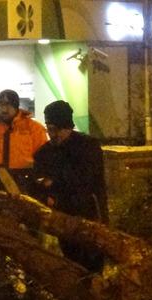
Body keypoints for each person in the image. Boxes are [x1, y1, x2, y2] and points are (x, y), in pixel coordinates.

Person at [32, 100, 109, 273]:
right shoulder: (44, 153)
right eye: (49, 129)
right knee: (71, 262)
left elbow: (84, 180)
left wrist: (54, 182)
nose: (52, 134)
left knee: (92, 262)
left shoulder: (87, 147)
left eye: (55, 129)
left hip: (90, 214)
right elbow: (39, 182)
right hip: (62, 216)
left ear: (67, 126)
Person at [0, 89, 48, 192]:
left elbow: (45, 162)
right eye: (0, 105)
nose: (4, 109)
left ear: (16, 106)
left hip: (27, 188)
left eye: (8, 105)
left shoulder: (34, 129)